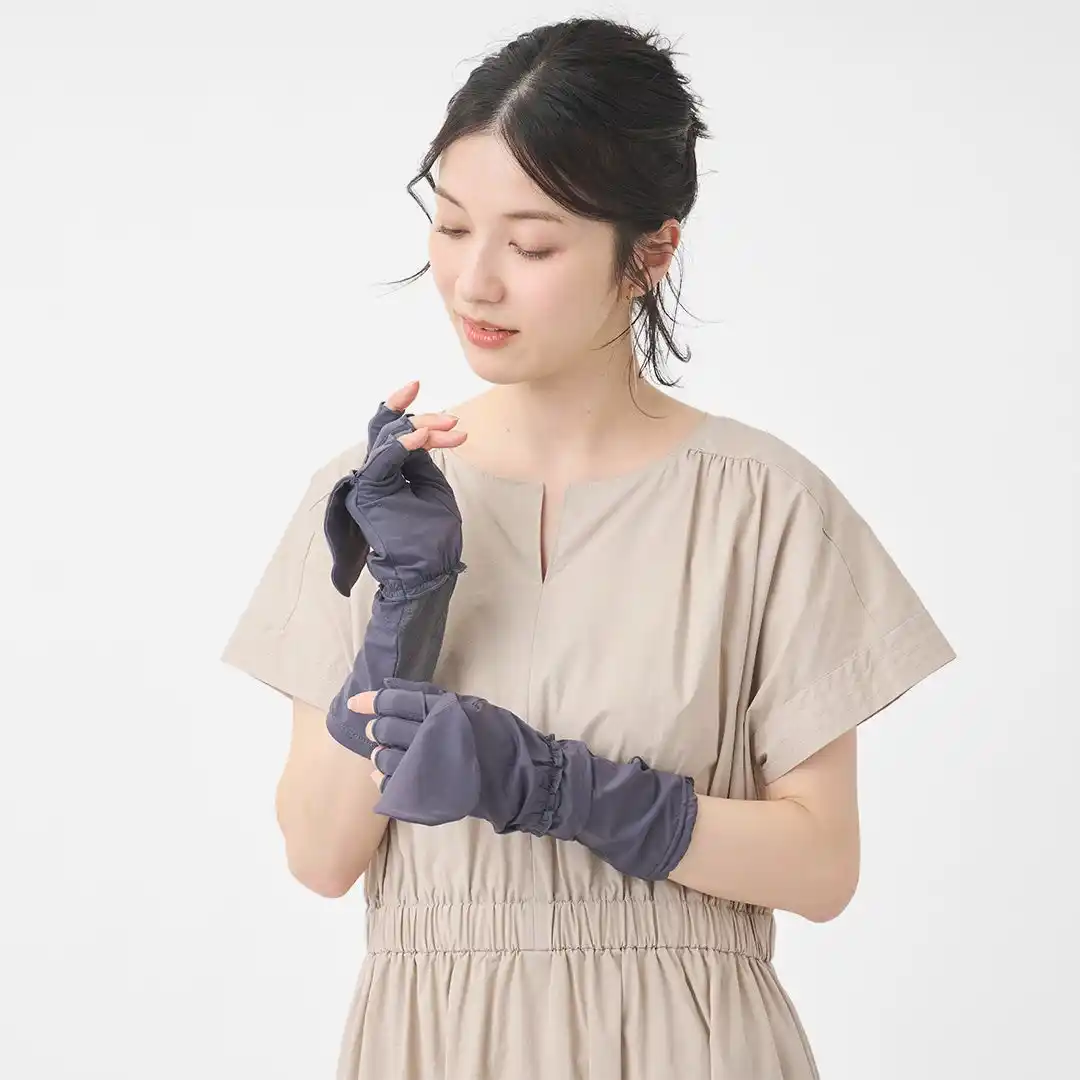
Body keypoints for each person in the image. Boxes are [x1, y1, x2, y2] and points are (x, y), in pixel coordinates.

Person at [219, 16, 957, 1079]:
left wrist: (557, 789)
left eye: (531, 245)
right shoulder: (380, 494)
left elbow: (821, 867)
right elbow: (320, 856)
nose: (474, 283)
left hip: (692, 1046)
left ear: (650, 253)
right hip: (436, 1041)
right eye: (452, 226)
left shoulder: (764, 504)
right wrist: (405, 607)